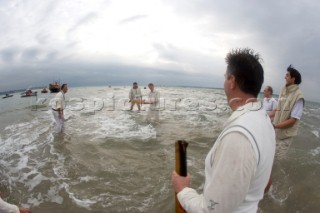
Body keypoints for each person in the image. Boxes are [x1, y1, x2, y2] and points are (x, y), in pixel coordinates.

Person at [172, 48, 276, 213]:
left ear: (232, 81)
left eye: (224, 77)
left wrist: (183, 190)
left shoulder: (239, 135)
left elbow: (212, 210)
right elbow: (265, 181)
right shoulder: (264, 121)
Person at [272, 65, 304, 159]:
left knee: (276, 162)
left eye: (287, 75)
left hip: (285, 137)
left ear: (293, 79)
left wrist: (274, 126)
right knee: (268, 160)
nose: (284, 77)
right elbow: (278, 108)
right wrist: (266, 115)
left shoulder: (299, 97)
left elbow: (292, 120)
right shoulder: (283, 90)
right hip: (276, 132)